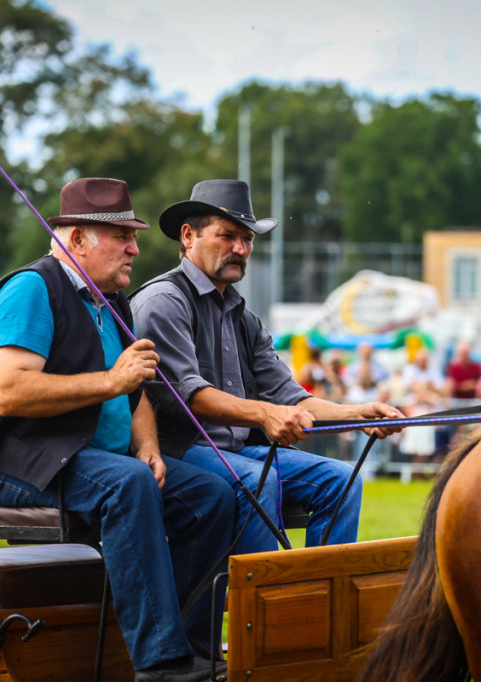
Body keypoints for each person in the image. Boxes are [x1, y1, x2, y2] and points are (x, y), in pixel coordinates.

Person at [0, 177, 233, 682]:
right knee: (128, 484)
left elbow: (136, 394)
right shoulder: (30, 289)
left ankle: (193, 644)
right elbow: (11, 392)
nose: (135, 247)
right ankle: (161, 664)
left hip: (92, 461)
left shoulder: (111, 299)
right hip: (18, 465)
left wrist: (149, 445)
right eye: (120, 236)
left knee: (212, 495)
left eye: (132, 235)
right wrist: (112, 380)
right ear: (76, 240)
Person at [131, 179, 402, 556]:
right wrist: (265, 414)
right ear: (188, 236)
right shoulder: (163, 301)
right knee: (260, 479)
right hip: (178, 450)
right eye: (227, 236)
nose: (240, 249)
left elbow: (290, 398)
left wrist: (357, 413)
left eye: (248, 239)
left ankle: (320, 601)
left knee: (340, 480)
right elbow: (187, 397)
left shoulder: (246, 319)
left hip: (240, 454)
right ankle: (264, 607)